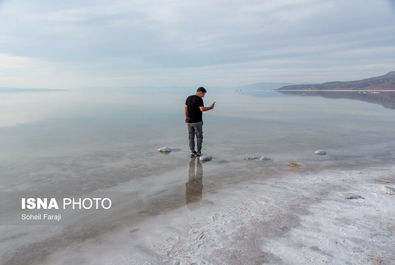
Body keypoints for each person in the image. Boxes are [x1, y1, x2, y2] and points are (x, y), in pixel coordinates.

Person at [184, 87, 215, 158]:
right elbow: (202, 109)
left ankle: (192, 152)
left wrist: (186, 117)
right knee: (199, 137)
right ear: (200, 92)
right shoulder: (199, 99)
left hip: (189, 121)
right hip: (197, 121)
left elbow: (185, 108)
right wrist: (211, 107)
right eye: (203, 94)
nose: (203, 96)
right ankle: (198, 152)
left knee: (191, 137)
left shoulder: (188, 98)